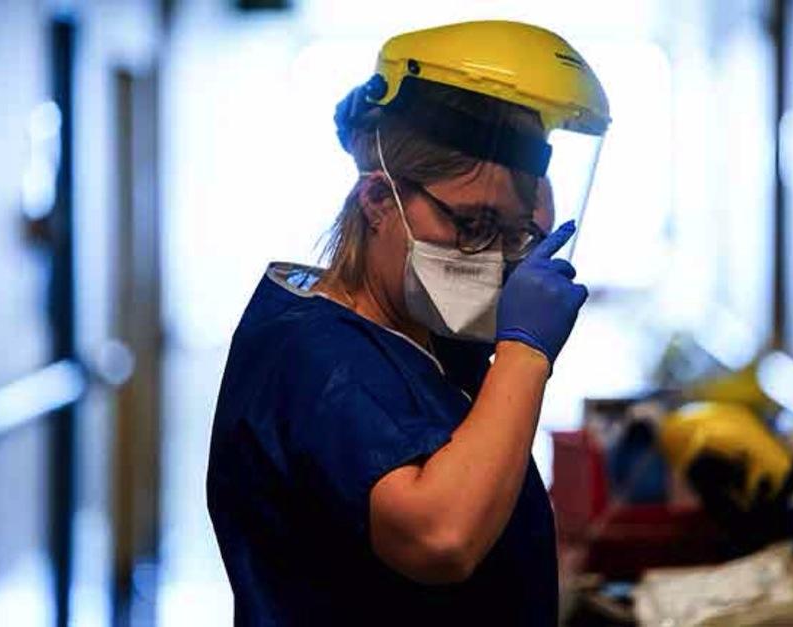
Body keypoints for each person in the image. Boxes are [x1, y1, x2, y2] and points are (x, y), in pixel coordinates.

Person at [207, 20, 609, 626]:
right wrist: (525, 356)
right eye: (471, 225)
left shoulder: (429, 342)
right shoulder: (311, 353)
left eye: (513, 236)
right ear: (378, 203)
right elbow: (439, 536)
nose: (491, 256)